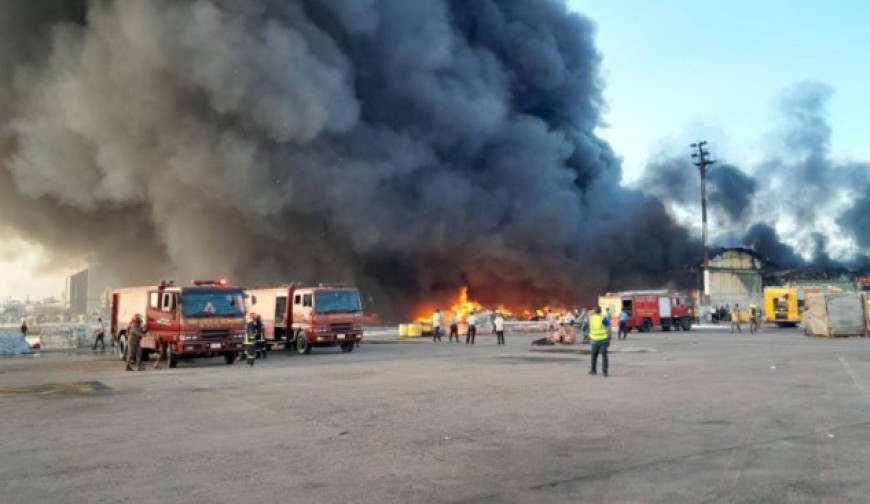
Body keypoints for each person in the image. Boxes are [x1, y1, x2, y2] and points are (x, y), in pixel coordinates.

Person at [588, 306, 609, 377]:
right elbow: (608, 329)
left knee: (594, 356)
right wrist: (609, 339)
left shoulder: (591, 318)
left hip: (594, 340)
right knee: (604, 356)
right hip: (603, 340)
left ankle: (593, 370)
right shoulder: (603, 318)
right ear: (601, 311)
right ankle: (605, 372)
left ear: (594, 311)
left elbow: (589, 314)